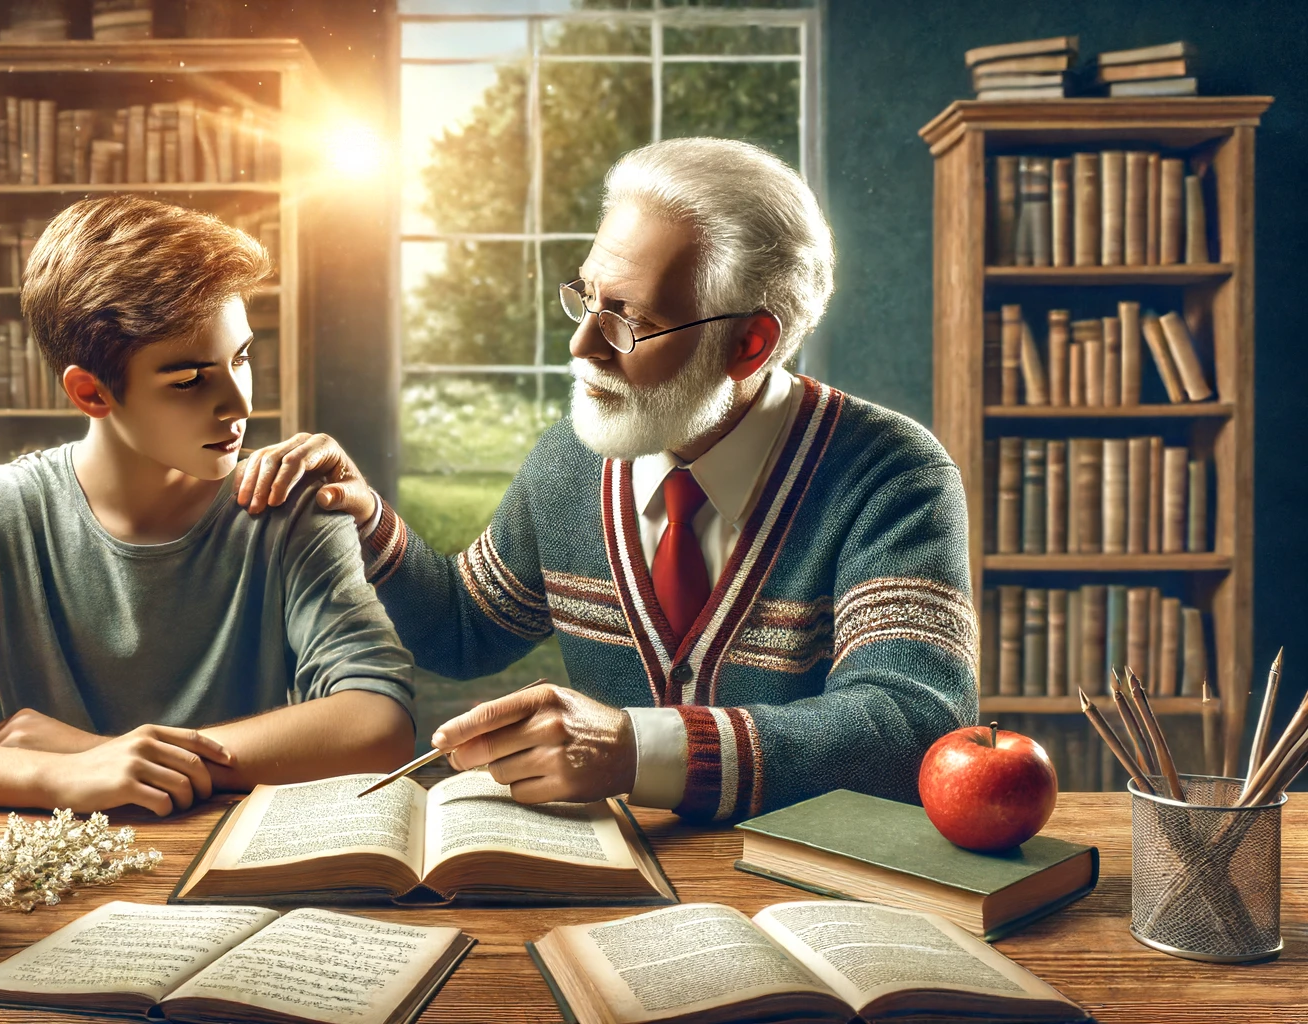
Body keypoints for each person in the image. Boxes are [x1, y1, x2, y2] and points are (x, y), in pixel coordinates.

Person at [237, 138, 977, 823]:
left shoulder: (893, 475)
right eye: (586, 296)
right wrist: (368, 520)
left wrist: (635, 750)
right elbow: (466, 632)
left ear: (749, 345)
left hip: (807, 886)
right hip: (614, 877)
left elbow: (911, 725)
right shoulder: (571, 459)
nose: (582, 342)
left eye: (628, 318)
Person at [0, 196, 416, 816]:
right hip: (59, 864)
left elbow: (378, 723)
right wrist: (54, 776)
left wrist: (101, 755)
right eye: (189, 380)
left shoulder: (290, 503)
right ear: (91, 393)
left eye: (242, 358)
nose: (239, 405)